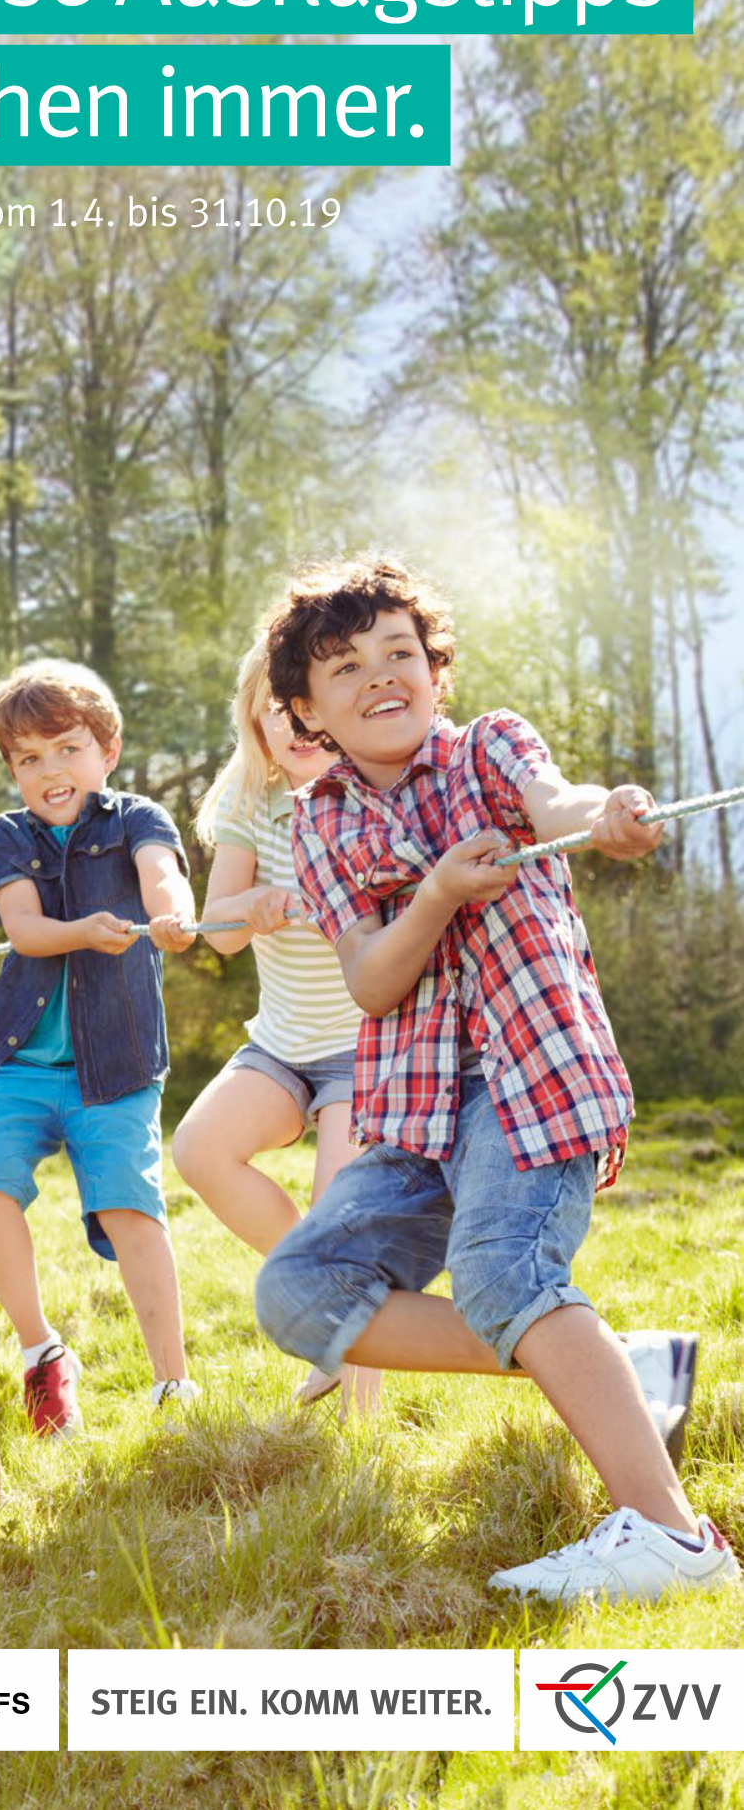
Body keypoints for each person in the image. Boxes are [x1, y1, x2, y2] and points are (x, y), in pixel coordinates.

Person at [254, 554, 739, 1601]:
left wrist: (601, 811)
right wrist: (431, 895)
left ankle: (674, 1539)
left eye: (401, 653)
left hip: (534, 1076)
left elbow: (554, 802)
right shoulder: (322, 820)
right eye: (346, 667)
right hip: (416, 1113)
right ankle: (622, 1365)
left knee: (502, 1272)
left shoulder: (488, 749)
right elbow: (372, 983)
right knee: (296, 1290)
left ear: (436, 669)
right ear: (307, 712)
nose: (383, 675)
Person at [0, 658, 199, 1438]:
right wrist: (85, 932)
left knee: (131, 1207)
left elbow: (161, 874)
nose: (52, 769)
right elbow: (23, 927)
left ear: (106, 749)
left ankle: (171, 1382)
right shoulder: (8, 835)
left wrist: (175, 912)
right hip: (13, 1061)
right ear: (13, 769)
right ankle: (41, 1351)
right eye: (29, 757)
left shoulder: (137, 816)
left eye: (68, 747)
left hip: (113, 1065)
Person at [173, 637, 380, 1416]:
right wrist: (247, 908)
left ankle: (364, 1425)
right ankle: (319, 1297)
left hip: (363, 1052)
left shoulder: (369, 791)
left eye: (305, 709)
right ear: (255, 723)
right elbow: (217, 929)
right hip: (282, 1046)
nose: (292, 726)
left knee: (344, 1220)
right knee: (199, 1148)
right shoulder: (250, 802)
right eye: (274, 711)